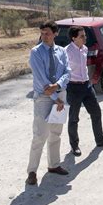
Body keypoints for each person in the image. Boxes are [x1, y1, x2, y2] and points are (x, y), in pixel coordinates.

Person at [26, 21, 71, 185]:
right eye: (42, 33)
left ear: (55, 33)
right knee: (39, 135)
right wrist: (54, 97)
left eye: (48, 33)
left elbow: (68, 71)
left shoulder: (62, 51)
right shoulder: (36, 52)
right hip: (44, 98)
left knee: (55, 133)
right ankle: (32, 171)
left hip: (60, 95)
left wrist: (58, 86)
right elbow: (40, 79)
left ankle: (54, 165)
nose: (44, 36)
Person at [65, 26, 103, 157]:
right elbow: (62, 71)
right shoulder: (67, 52)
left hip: (87, 86)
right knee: (74, 118)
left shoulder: (85, 49)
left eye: (85, 35)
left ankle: (100, 140)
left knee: (96, 112)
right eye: (82, 36)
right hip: (73, 87)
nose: (85, 38)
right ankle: (74, 145)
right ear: (73, 38)